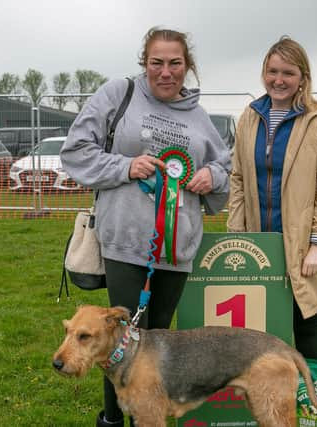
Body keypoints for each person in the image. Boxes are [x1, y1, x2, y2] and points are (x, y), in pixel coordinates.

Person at [60, 27, 231, 427]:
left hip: (175, 249)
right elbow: (76, 150)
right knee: (118, 344)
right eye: (157, 63)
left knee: (155, 344)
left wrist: (211, 176)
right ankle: (113, 420)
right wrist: (125, 166)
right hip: (125, 243)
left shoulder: (200, 118)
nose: (166, 72)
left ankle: (147, 418)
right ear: (145, 63)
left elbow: (225, 166)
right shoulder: (118, 95)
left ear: (187, 67)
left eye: (175, 63)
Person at [227, 36, 317, 361]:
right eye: (272, 71)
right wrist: (237, 236)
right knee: (262, 330)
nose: (278, 80)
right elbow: (238, 178)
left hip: (302, 245)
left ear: (302, 78)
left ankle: (315, 405)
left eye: (288, 73)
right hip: (260, 243)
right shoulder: (250, 116)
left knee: (307, 324)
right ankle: (268, 401)